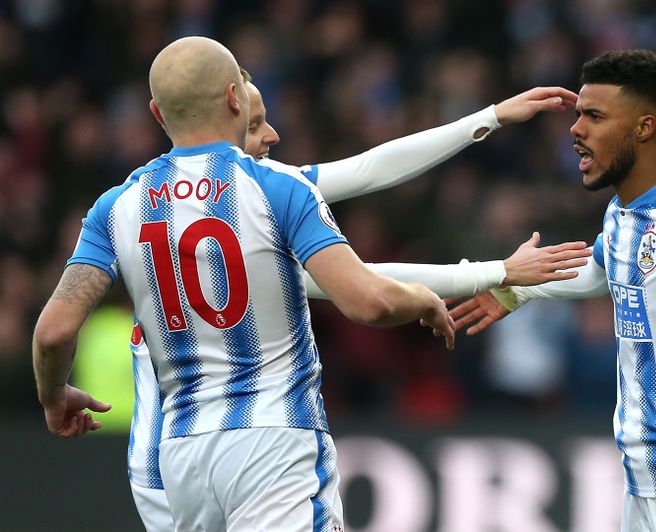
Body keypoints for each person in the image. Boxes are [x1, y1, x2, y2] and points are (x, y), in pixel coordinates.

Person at [126, 59, 587, 531]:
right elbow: (365, 282)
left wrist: (488, 117)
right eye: (255, 124)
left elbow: (370, 169)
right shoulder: (256, 204)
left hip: (174, 459)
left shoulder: (138, 208)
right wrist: (496, 271)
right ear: (224, 114)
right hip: (252, 449)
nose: (273, 137)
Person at [31, 36, 462, 531]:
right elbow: (368, 301)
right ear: (236, 98)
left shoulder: (115, 207)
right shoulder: (276, 187)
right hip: (275, 441)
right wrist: (424, 300)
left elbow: (53, 331)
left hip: (183, 455)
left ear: (157, 113)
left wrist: (54, 395)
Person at [449, 50, 656, 531]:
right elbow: (598, 272)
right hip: (645, 483)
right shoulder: (622, 214)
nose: (576, 130)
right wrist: (515, 291)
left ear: (644, 127)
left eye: (594, 116)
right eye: (577, 116)